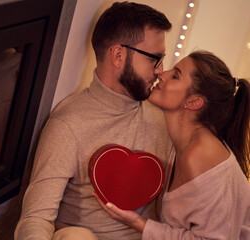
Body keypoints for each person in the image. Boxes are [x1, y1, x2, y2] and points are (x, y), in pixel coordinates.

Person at [15, 2, 173, 239]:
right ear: (118, 55)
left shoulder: (164, 116)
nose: (161, 70)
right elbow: (36, 217)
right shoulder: (69, 125)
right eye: (155, 59)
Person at [95, 50, 250, 239]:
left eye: (175, 76)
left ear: (193, 102)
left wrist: (140, 225)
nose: (162, 73)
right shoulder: (182, 143)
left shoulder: (201, 155)